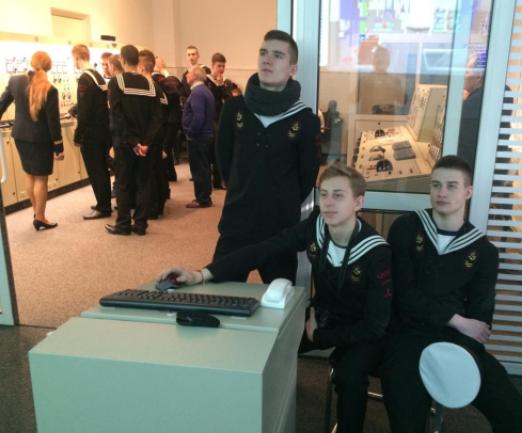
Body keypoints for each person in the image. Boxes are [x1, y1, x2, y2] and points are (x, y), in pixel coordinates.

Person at [159, 163, 392, 433]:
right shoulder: (316, 226)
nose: (328, 203)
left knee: (349, 376)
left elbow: (376, 325)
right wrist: (201, 274)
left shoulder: (377, 252)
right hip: (323, 318)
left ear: (358, 203)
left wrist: (321, 337)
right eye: (324, 194)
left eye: (338, 196)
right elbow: (264, 249)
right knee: (267, 342)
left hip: (362, 330)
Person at [380, 155, 522, 433]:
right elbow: (403, 296)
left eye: (451, 186)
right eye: (436, 185)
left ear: (468, 192)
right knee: (408, 426)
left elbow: (480, 319)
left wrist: (459, 351)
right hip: (407, 337)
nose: (441, 193)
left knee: (520, 420)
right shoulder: (406, 228)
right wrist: (457, 319)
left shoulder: (485, 252)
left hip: (456, 341)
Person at [214, 29, 319, 284]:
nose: (267, 59)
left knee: (280, 301)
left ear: (292, 69)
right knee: (219, 296)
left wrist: (280, 199)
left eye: (277, 55)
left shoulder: (305, 120)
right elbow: (224, 160)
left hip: (280, 230)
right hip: (237, 222)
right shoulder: (234, 108)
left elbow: (306, 176)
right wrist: (242, 188)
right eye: (263, 53)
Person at [0, 51, 64, 230]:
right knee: (41, 179)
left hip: (20, 136)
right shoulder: (50, 89)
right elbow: (53, 121)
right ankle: (41, 217)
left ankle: (36, 212)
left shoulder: (15, 81)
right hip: (40, 140)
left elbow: (1, 104)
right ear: (48, 67)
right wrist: (58, 146)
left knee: (29, 174)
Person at [105, 44, 162, 236]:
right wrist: (145, 143)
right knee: (143, 182)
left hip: (124, 143)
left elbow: (117, 117)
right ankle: (140, 224)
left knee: (123, 183)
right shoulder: (151, 84)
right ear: (137, 60)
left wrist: (133, 142)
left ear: (122, 60)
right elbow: (157, 118)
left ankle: (123, 223)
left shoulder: (117, 82)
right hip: (145, 146)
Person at [71, 44, 113, 220]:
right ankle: (104, 202)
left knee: (96, 170)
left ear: (77, 58)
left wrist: (78, 135)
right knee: (102, 169)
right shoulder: (98, 76)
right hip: (104, 130)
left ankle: (103, 206)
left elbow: (84, 111)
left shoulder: (84, 79)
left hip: (91, 134)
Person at [139, 49, 169, 218]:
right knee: (157, 170)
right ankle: (158, 204)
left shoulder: (150, 87)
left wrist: (146, 139)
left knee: (150, 172)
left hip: (152, 135)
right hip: (158, 134)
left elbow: (153, 116)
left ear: (142, 67)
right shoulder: (157, 86)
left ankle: (153, 207)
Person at [182, 65, 215, 208]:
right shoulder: (205, 90)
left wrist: (190, 133)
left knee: (199, 169)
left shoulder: (197, 92)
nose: (186, 75)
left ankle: (202, 199)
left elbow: (198, 117)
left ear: (195, 75)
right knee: (204, 168)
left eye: (188, 73)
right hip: (204, 135)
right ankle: (205, 197)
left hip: (198, 137)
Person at [205, 52, 238, 189]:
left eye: (223, 66)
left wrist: (222, 87)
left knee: (221, 150)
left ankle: (219, 179)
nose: (221, 69)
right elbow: (210, 100)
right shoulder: (206, 82)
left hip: (222, 119)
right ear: (212, 66)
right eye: (219, 66)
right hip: (210, 120)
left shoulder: (226, 83)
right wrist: (217, 87)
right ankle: (209, 180)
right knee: (210, 151)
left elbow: (229, 99)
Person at [153, 56, 182, 182]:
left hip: (170, 119)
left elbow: (174, 92)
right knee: (167, 148)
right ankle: (170, 173)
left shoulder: (163, 80)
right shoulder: (161, 79)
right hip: (170, 118)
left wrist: (164, 72)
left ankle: (167, 174)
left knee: (165, 147)